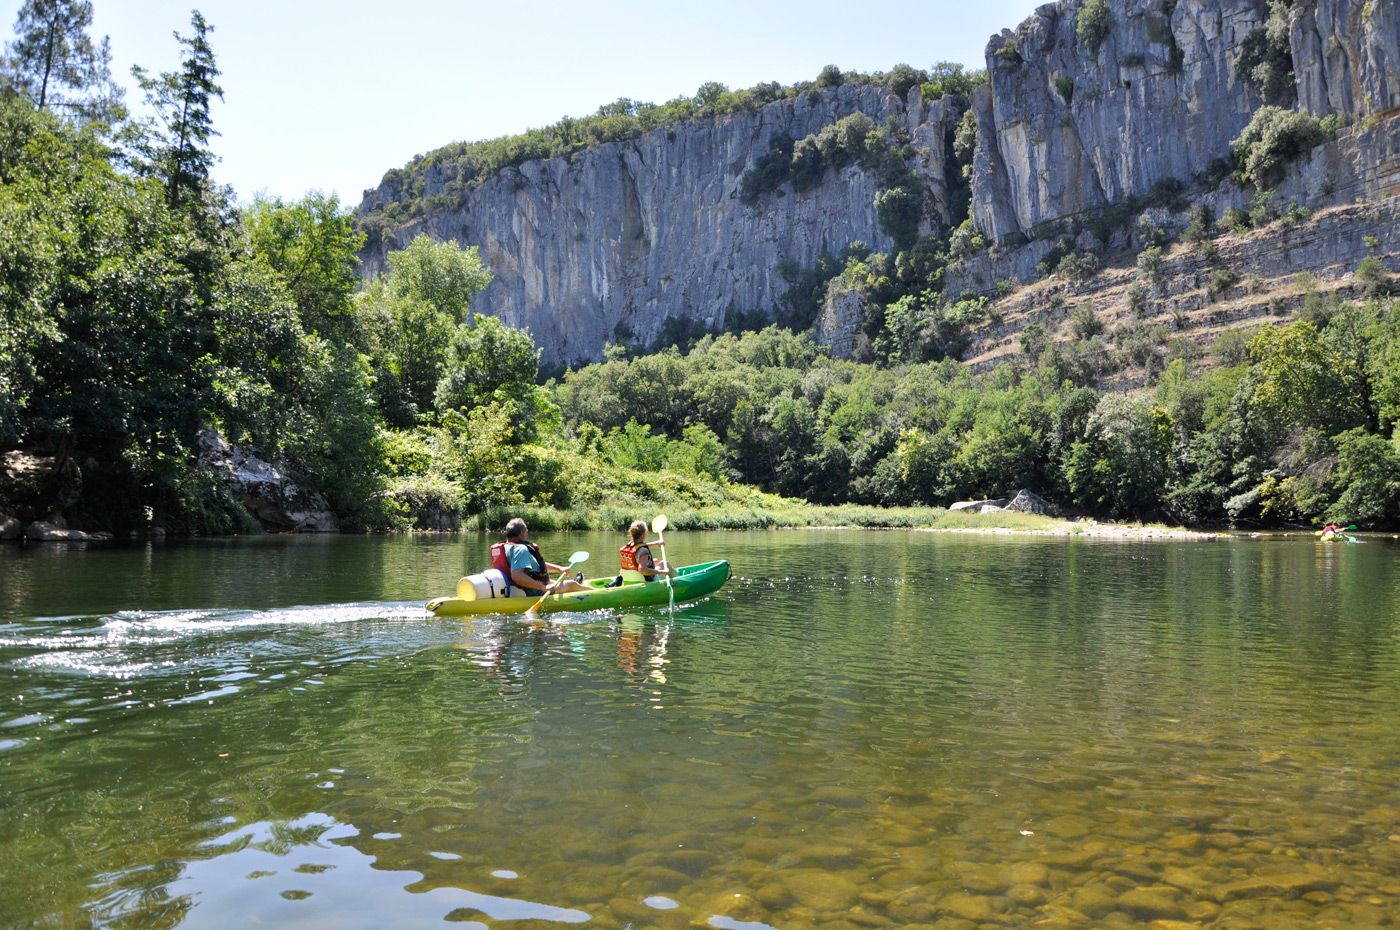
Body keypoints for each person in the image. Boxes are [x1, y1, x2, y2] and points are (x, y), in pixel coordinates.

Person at [490, 518, 587, 597]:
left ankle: (579, 585)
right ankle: (601, 593)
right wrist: (542, 587)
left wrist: (558, 568)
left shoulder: (507, 547)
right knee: (572, 585)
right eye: (526, 532)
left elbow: (535, 564)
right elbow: (517, 576)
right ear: (522, 532)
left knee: (566, 583)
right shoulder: (520, 549)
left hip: (518, 587)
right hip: (530, 590)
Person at [615, 520, 672, 585]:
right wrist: (662, 571)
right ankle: (676, 581)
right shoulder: (644, 552)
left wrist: (656, 543)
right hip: (645, 580)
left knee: (655, 561)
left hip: (627, 578)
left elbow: (639, 547)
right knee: (664, 563)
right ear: (643, 535)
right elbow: (642, 570)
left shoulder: (628, 546)